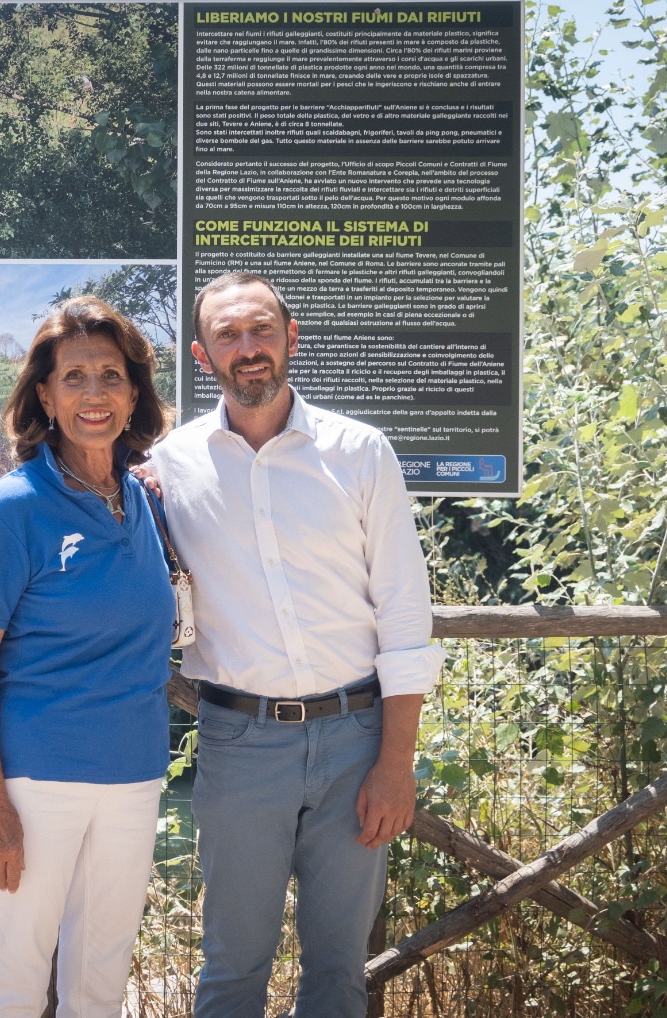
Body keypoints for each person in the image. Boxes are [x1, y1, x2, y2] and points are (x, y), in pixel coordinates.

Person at [149, 272, 444, 1018]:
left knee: (340, 969)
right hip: (238, 739)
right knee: (231, 966)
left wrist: (395, 763)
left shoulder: (360, 452)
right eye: (228, 336)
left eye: (261, 331)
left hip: (358, 739)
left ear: (292, 338)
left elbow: (405, 612)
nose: (248, 349)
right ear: (203, 354)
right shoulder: (170, 468)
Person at [0, 296, 174, 1018]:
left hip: (136, 776)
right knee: (15, 977)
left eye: (110, 375)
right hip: (36, 783)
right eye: (73, 377)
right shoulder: (13, 506)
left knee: (100, 982)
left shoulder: (143, 501)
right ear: (43, 395)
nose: (94, 394)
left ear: (133, 392)